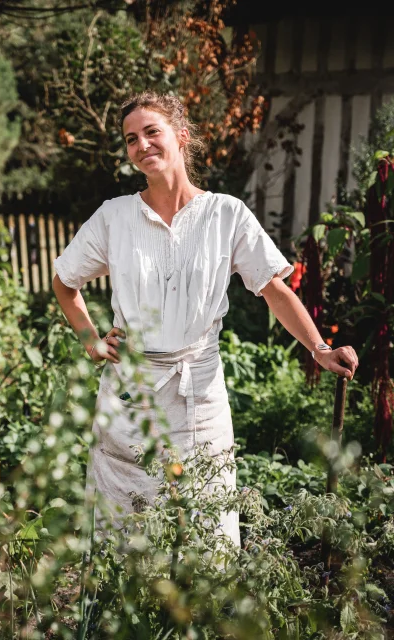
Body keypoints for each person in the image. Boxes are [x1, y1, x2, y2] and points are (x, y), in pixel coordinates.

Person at [51, 91, 359, 547]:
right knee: (128, 532)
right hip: (131, 393)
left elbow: (274, 289)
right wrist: (90, 340)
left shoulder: (225, 214)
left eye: (151, 132)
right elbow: (64, 281)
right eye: (131, 139)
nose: (142, 145)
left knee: (207, 526)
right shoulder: (114, 217)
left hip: (200, 389)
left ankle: (206, 615)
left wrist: (320, 348)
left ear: (181, 135)